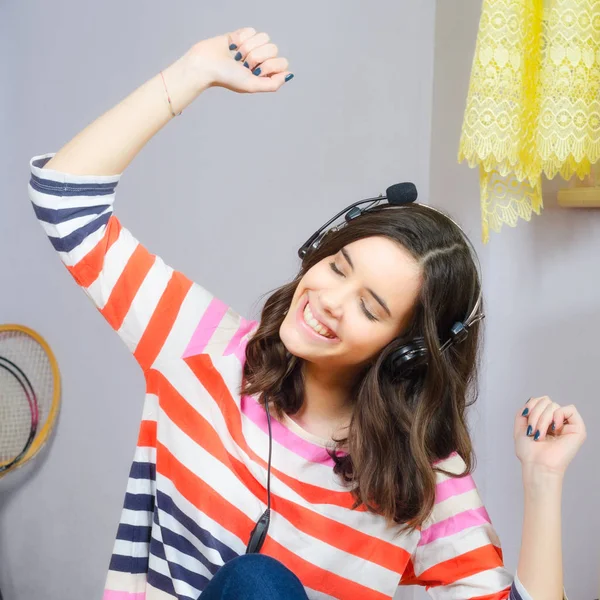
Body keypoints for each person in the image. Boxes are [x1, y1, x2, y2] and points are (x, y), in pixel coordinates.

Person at [27, 27, 586, 600]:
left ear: (406, 350)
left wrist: (543, 481)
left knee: (256, 584)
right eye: (339, 267)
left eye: (370, 308)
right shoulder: (200, 347)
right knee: (254, 581)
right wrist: (192, 72)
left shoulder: (418, 478)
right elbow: (64, 198)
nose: (328, 301)